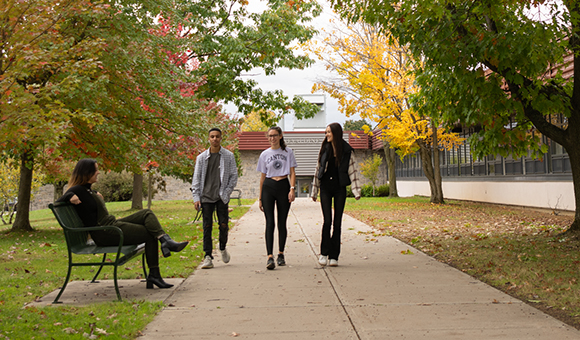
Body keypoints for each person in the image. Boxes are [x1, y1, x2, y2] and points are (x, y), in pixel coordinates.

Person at [57, 159, 188, 289]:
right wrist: (69, 196)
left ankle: (165, 241)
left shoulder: (87, 191)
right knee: (150, 233)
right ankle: (156, 270)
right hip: (105, 232)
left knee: (146, 213)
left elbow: (87, 200)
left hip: (110, 225)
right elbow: (58, 202)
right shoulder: (77, 190)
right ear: (86, 172)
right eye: (95, 170)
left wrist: (95, 194)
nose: (98, 172)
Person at [311, 123, 361, 267]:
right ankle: (324, 254)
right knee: (327, 221)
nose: (326, 135)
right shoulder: (324, 150)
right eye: (326, 132)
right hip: (326, 188)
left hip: (339, 189)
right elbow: (317, 171)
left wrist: (356, 191)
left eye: (329, 132)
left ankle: (334, 256)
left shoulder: (346, 151)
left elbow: (353, 171)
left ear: (336, 133)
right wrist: (314, 191)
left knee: (337, 222)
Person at [192, 127, 238, 269]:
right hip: (206, 197)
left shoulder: (228, 156)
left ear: (221, 138)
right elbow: (197, 178)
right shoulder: (201, 158)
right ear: (208, 138)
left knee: (223, 225)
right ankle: (207, 257)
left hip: (221, 197)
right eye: (212, 136)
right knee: (207, 227)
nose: (214, 139)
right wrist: (196, 197)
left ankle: (222, 247)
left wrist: (227, 191)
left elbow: (233, 176)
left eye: (217, 136)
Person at [257, 126, 297, 270]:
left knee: (282, 222)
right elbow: (262, 177)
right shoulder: (264, 154)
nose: (272, 138)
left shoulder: (288, 152)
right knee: (269, 222)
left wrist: (292, 189)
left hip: (283, 186)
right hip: (269, 186)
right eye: (269, 136)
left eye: (274, 135)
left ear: (280, 136)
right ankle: (269, 256)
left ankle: (281, 253)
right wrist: (260, 198)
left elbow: (292, 172)